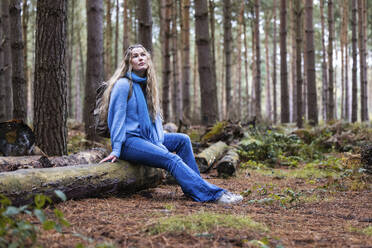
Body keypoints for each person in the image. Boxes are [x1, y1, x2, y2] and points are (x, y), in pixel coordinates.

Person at [99, 44, 242, 204]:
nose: (140, 58)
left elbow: (154, 118)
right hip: (129, 142)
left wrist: (159, 138)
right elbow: (116, 120)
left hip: (147, 138)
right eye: (135, 56)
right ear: (129, 62)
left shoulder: (146, 85)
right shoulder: (124, 85)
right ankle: (212, 195)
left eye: (143, 55)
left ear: (148, 59)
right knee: (171, 159)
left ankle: (193, 189)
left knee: (183, 140)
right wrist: (117, 149)